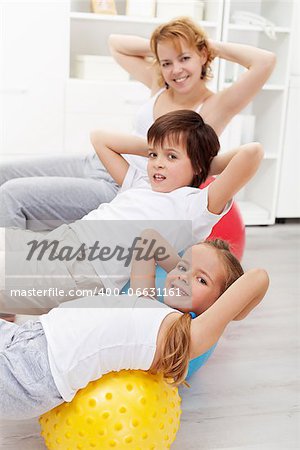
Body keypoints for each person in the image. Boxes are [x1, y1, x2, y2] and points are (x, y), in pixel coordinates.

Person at [0, 17, 275, 232]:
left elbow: (265, 61)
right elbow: (116, 43)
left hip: (127, 185)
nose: (176, 70)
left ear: (203, 55)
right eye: (166, 62)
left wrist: (203, 44)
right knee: (4, 173)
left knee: (13, 195)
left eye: (185, 58)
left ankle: (6, 295)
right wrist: (168, 45)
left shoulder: (216, 106)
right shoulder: (160, 84)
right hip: (99, 160)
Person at [0, 110, 263, 314]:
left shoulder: (197, 205)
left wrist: (205, 164)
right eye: (153, 155)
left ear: (196, 166)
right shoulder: (139, 183)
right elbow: (100, 139)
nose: (158, 164)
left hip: (85, 272)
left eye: (171, 157)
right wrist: (157, 145)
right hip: (61, 242)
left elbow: (252, 153)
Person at [0, 228, 270, 420]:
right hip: (28, 335)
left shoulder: (177, 336)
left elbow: (258, 278)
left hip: (32, 372)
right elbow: (148, 240)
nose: (183, 277)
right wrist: (188, 271)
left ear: (217, 304)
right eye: (182, 267)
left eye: (202, 280)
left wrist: (230, 313)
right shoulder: (146, 299)